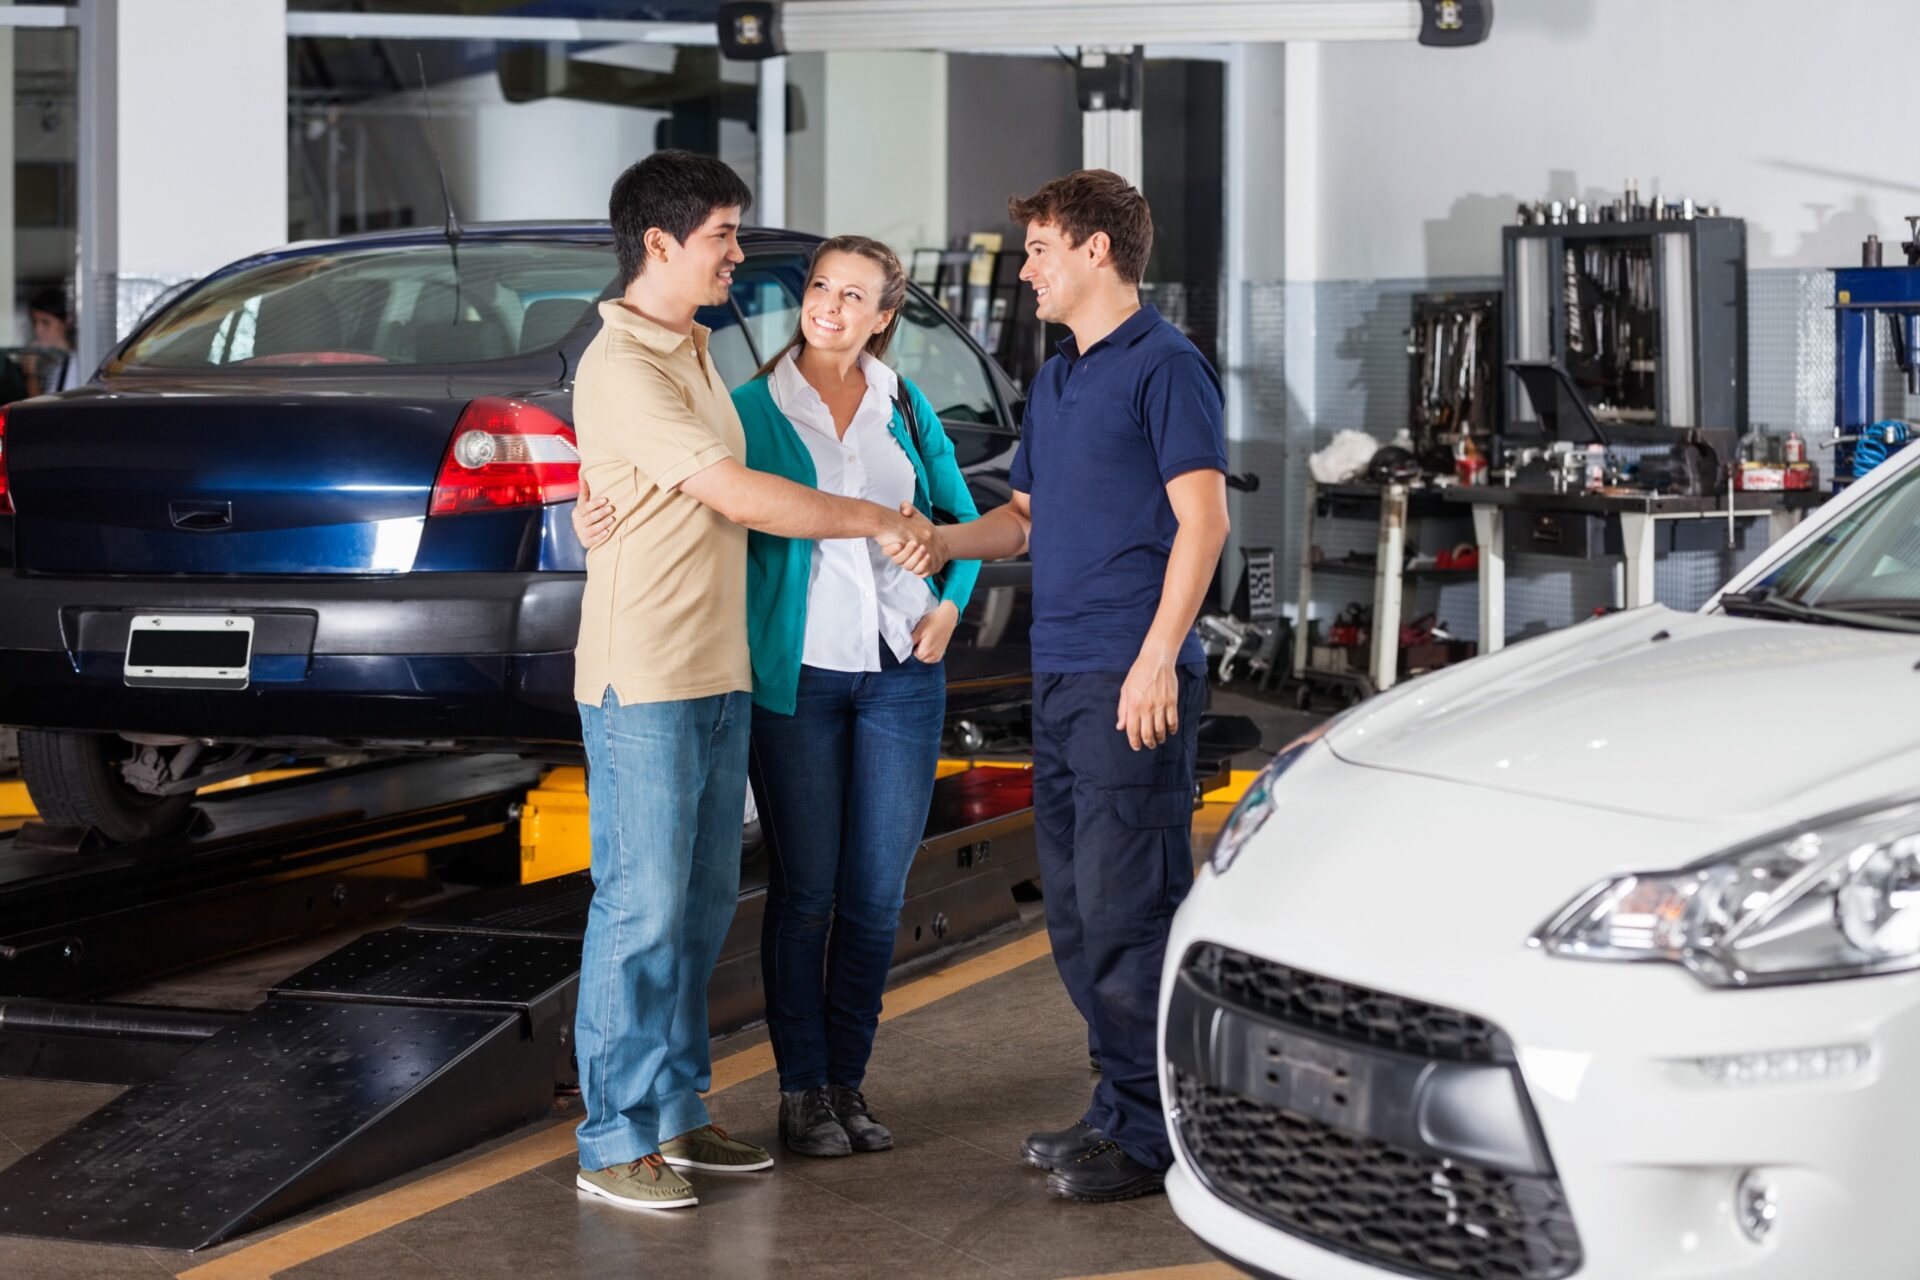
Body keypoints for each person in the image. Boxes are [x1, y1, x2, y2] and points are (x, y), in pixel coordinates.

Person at [569, 150, 934, 1213]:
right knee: (637, 910)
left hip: (720, 665)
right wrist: (877, 518)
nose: (740, 251)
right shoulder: (624, 363)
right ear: (661, 243)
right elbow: (735, 489)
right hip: (645, 671)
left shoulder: (693, 346)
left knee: (697, 906)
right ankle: (610, 1139)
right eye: (725, 233)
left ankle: (677, 1115)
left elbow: (655, 489)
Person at [910, 170, 1230, 1203]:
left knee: (1131, 905)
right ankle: (1116, 1106)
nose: (1030, 272)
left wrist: (1154, 657)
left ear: (1097, 250)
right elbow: (1028, 520)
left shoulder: (1165, 366)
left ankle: (1154, 1133)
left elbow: (1206, 521)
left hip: (1129, 680)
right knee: (1080, 912)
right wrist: (945, 537)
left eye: (1042, 250)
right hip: (1059, 673)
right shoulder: (1056, 379)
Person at [26, 287, 76, 395]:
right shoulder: (54, 363)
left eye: (46, 322)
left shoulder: (73, 365)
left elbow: (43, 410)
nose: (38, 331)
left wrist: (31, 374)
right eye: (35, 322)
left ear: (67, 321)